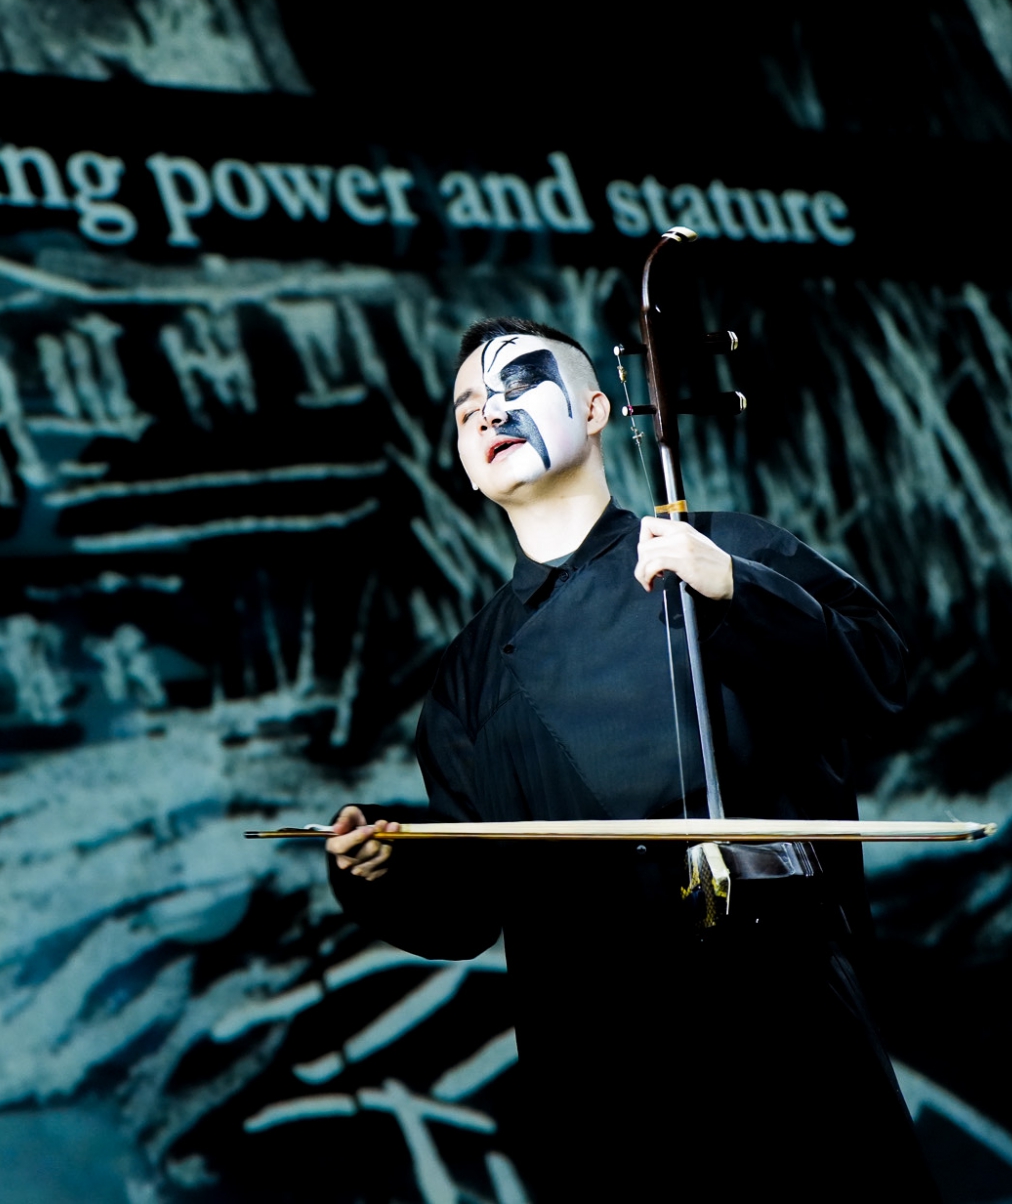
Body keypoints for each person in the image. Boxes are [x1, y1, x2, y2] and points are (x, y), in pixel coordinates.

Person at [325, 317, 939, 1196]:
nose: (489, 413)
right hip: (600, 1078)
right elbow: (468, 910)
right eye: (466, 410)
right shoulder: (465, 680)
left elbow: (878, 677)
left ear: (595, 408)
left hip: (785, 1030)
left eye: (517, 384)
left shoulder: (723, 547)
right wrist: (381, 870)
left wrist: (738, 590)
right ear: (462, 462)